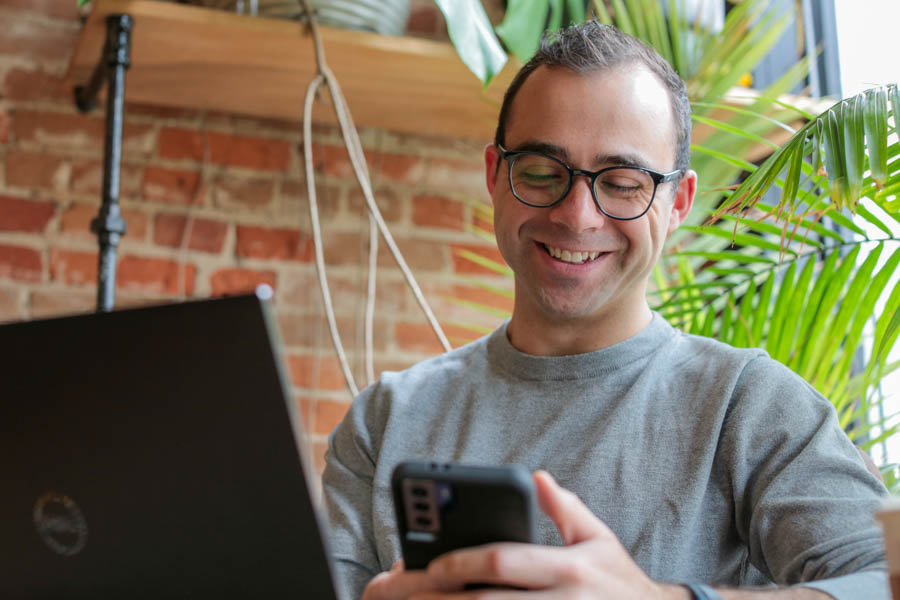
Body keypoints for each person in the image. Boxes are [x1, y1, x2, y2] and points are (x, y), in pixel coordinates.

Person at [321, 21, 890, 600]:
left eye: (622, 183)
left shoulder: (749, 405)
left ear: (678, 204)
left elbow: (883, 581)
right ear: (496, 175)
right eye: (543, 172)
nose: (577, 215)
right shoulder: (384, 421)